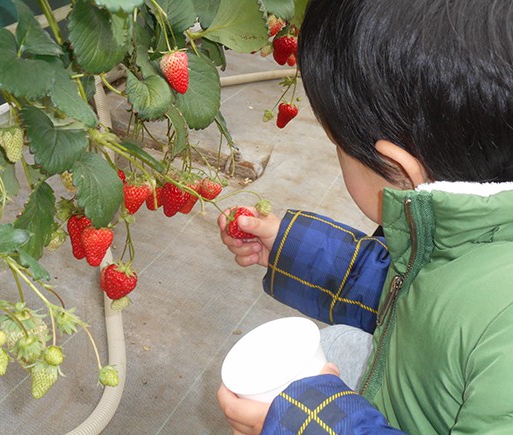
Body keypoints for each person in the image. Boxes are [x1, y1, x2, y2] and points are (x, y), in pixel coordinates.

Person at [217, 0, 513, 433]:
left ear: (401, 171)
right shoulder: (472, 243)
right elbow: (413, 296)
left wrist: (310, 424)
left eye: (339, 147)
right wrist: (291, 245)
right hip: (405, 395)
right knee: (342, 346)